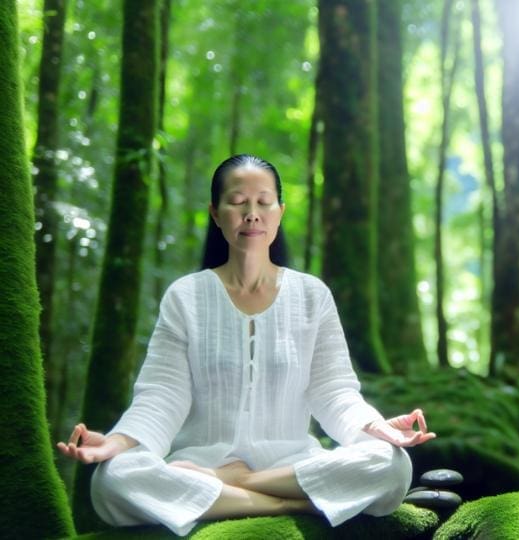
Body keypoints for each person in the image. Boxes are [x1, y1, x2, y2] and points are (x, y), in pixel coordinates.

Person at [58, 153, 436, 536]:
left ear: (279, 211)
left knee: (392, 464)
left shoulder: (311, 295)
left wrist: (374, 426)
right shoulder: (185, 297)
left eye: (263, 202)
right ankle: (291, 505)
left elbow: (335, 391)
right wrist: (116, 442)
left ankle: (235, 485)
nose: (252, 213)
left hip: (286, 465)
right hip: (200, 459)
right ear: (215, 212)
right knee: (112, 478)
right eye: (238, 202)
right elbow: (161, 395)